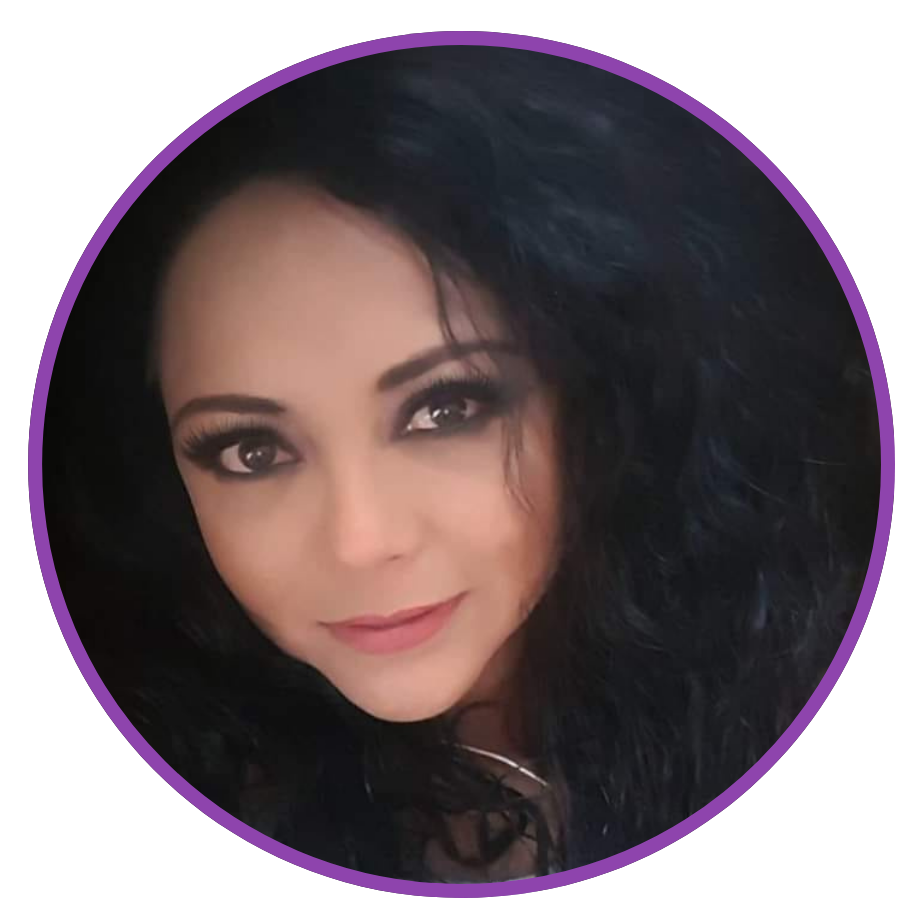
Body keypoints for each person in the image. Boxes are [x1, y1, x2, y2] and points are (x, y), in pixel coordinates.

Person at [43, 47, 880, 882]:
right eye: (250, 450)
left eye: (447, 408)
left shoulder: (789, 679)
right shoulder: (188, 750)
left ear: (596, 397)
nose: (361, 540)